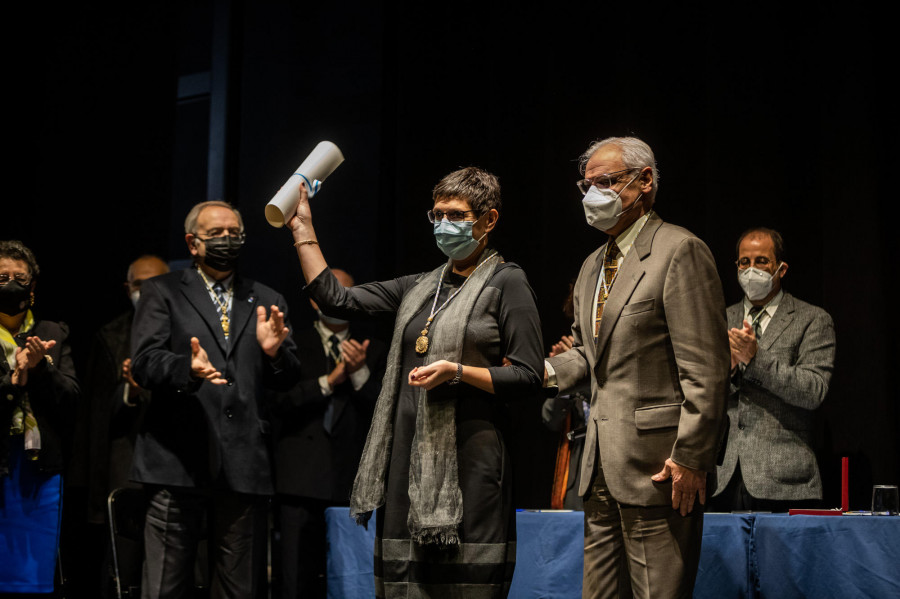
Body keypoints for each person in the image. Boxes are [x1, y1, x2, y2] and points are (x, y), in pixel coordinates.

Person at [287, 167, 544, 598]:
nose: (444, 225)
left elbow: (528, 374)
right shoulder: (419, 287)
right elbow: (337, 298)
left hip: (472, 461)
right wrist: (302, 227)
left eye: (457, 215)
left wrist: (457, 371)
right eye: (438, 214)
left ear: (489, 220)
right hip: (408, 458)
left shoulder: (507, 282)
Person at [544, 137, 729, 599]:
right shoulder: (591, 265)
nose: (593, 195)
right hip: (599, 466)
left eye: (605, 182)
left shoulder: (679, 250)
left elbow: (706, 370)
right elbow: (589, 355)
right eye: (587, 185)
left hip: (660, 468)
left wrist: (691, 458)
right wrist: (535, 371)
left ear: (644, 181)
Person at [130, 201, 302, 599]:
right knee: (165, 585)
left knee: (238, 587)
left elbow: (289, 377)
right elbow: (144, 362)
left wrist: (275, 353)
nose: (228, 240)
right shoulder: (162, 291)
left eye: (234, 233)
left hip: (244, 461)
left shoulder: (265, 296)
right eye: (217, 234)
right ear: (193, 243)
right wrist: (185, 369)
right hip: (176, 457)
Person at [272, 267, 387, 599]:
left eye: (346, 294)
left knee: (351, 575)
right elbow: (277, 403)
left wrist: (360, 374)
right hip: (299, 479)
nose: (338, 300)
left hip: (352, 482)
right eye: (329, 293)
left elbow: (386, 412)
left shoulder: (375, 349)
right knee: (296, 576)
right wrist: (328, 382)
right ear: (312, 300)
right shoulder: (292, 343)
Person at [710, 228, 835, 512]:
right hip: (721, 475)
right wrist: (726, 369)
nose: (751, 269)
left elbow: (813, 391)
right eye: (744, 262)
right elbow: (694, 392)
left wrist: (756, 360)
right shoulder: (719, 318)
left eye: (762, 261)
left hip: (785, 480)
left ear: (781, 268)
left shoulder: (812, 319)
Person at [0, 240, 80, 594]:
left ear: (32, 287)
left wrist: (40, 370)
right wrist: (14, 381)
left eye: (20, 277)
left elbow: (72, 398)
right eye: (2, 277)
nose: (12, 284)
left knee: (32, 577)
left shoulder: (51, 332)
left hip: (38, 470)